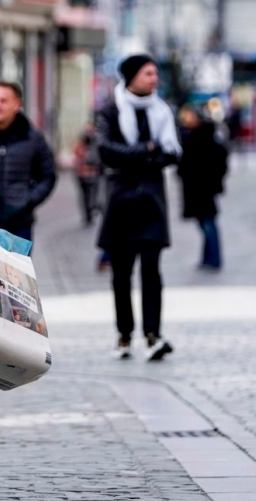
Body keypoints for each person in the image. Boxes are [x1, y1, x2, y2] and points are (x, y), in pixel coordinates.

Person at [96, 54, 180, 361]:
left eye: (156, 73)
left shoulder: (162, 111)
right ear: (131, 77)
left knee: (151, 273)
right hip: (120, 203)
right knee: (120, 275)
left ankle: (153, 334)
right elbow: (105, 150)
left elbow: (172, 154)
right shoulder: (110, 110)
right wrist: (146, 149)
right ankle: (124, 335)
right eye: (148, 73)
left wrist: (134, 156)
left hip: (152, 203)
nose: (154, 79)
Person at [0, 81, 57, 241]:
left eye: (3, 101)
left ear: (17, 104)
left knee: (16, 267)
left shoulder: (33, 138)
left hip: (20, 225)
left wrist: (28, 200)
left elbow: (48, 176)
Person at [177, 105, 228, 271]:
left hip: (203, 188)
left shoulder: (203, 137)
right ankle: (208, 257)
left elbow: (218, 161)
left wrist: (213, 181)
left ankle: (213, 258)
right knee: (205, 223)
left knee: (207, 223)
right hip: (198, 188)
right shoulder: (191, 136)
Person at [73, 121, 102, 226]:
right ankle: (88, 213)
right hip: (83, 172)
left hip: (92, 172)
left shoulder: (96, 141)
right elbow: (77, 154)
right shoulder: (82, 143)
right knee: (85, 195)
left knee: (92, 193)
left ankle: (91, 209)